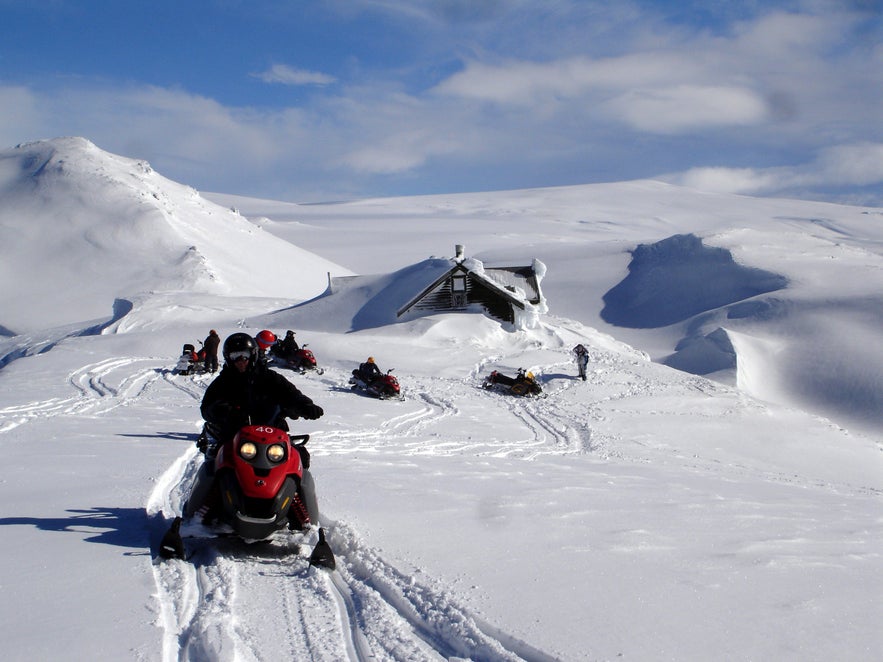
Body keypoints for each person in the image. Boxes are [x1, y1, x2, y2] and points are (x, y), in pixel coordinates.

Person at [185, 332, 325, 523]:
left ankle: (303, 519)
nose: (241, 361)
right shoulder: (224, 382)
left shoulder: (270, 378)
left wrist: (306, 406)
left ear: (253, 355)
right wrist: (224, 411)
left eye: (244, 355)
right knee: (215, 463)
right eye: (235, 357)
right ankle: (198, 516)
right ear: (228, 358)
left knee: (298, 461)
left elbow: (292, 395)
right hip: (234, 435)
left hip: (273, 434)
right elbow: (207, 407)